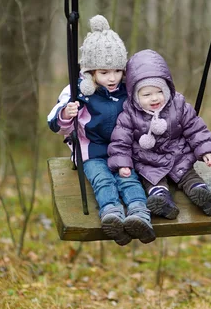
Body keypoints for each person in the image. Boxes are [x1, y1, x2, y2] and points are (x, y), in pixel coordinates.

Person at [47, 15, 155, 246]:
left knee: (129, 179)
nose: (112, 77)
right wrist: (67, 113)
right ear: (90, 72)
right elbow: (53, 121)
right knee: (103, 180)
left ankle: (139, 214)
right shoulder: (77, 92)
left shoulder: (128, 89)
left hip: (124, 150)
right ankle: (112, 214)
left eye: (117, 71)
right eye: (104, 72)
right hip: (92, 150)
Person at [107, 49, 211, 220]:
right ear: (134, 96)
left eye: (159, 91)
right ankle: (161, 201)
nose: (154, 98)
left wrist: (205, 151)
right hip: (148, 160)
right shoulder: (129, 114)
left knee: (188, 176)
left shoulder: (178, 105)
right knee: (152, 181)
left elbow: (195, 128)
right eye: (146, 94)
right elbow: (120, 141)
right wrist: (123, 164)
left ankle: (201, 193)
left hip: (178, 156)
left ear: (167, 89)